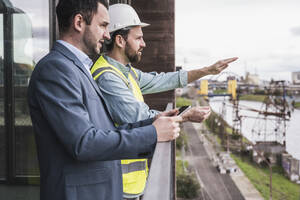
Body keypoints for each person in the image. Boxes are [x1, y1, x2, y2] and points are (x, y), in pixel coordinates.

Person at [27, 1, 182, 200]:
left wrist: (153, 122)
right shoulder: (56, 70)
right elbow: (84, 142)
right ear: (79, 22)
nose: (108, 35)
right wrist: (152, 133)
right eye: (103, 25)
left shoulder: (78, 67)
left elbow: (102, 129)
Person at [90, 3, 235, 199]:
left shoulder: (125, 71)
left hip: (128, 183)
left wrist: (206, 71)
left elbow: (161, 79)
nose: (144, 44)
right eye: (138, 38)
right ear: (119, 40)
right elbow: (137, 116)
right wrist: (185, 115)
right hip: (118, 185)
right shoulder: (108, 76)